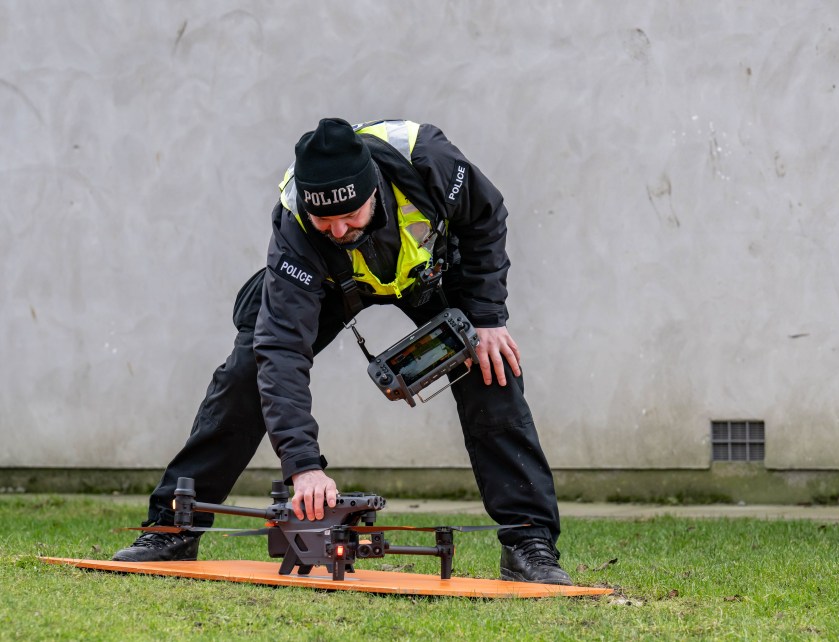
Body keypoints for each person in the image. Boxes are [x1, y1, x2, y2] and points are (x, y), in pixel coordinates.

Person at [112, 118, 572, 585]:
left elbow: (486, 218)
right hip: (339, 284)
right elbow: (282, 347)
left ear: (374, 188)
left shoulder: (430, 162)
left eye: (350, 216)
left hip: (427, 270)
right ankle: (173, 528)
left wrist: (487, 317)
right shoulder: (295, 224)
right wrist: (303, 467)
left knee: (492, 369)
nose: (337, 229)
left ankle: (528, 543)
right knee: (249, 367)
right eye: (324, 221)